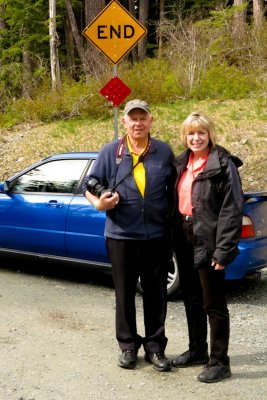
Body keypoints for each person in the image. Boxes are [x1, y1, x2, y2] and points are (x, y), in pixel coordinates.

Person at [83, 99, 175, 372]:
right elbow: (89, 184)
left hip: (156, 236)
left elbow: (175, 189)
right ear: (124, 121)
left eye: (142, 118)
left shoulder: (163, 152)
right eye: (132, 118)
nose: (138, 123)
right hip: (121, 236)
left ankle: (155, 348)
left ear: (151, 120)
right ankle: (127, 347)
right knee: (124, 295)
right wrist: (99, 202)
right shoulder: (111, 151)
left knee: (156, 295)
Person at [171, 112, 243, 383]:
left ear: (209, 134)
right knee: (191, 297)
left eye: (201, 132)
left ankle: (220, 362)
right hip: (183, 234)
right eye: (190, 133)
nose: (196, 138)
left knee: (213, 303)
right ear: (184, 136)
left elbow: (232, 210)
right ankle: (198, 350)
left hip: (209, 239)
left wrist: (223, 251)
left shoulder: (224, 165)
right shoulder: (181, 163)